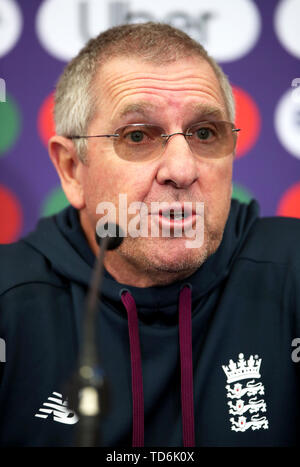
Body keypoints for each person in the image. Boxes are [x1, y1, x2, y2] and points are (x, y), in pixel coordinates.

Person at [0, 22, 300, 448]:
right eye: (137, 136)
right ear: (71, 169)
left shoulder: (292, 271)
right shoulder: (9, 298)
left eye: (204, 133)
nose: (181, 169)